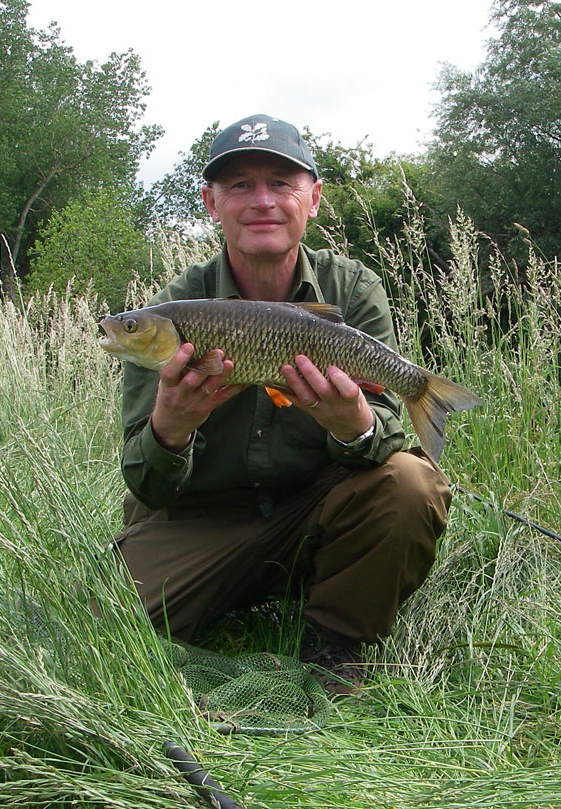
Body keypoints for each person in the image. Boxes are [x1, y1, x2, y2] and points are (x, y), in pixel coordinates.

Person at [111, 114, 452, 692]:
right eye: (240, 185)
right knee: (101, 628)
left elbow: (387, 436)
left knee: (411, 482)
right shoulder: (171, 311)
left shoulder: (353, 289)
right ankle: (226, 591)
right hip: (202, 518)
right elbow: (146, 485)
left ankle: (337, 642)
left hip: (314, 510)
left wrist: (355, 426)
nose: (262, 201)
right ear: (211, 203)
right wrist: (171, 429)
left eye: (281, 183)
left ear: (313, 199)